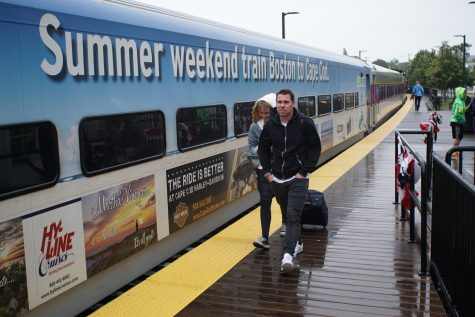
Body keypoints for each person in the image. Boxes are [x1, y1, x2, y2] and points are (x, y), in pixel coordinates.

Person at [258, 89, 321, 273]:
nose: (282, 105)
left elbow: (315, 149)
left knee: (293, 216)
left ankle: (288, 255)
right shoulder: (271, 125)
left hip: (297, 178)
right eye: (279, 102)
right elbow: (263, 149)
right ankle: (298, 243)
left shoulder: (304, 123)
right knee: (287, 213)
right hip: (277, 178)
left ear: (293, 104)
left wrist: (304, 172)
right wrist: (268, 173)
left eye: (286, 102)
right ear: (275, 104)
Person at [248, 95, 286, 249]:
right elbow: (251, 149)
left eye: (267, 113)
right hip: (263, 169)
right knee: (265, 201)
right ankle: (264, 237)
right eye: (262, 113)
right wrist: (264, 148)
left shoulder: (281, 125)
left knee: (283, 199)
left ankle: (285, 224)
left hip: (280, 168)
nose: (264, 116)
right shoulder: (254, 127)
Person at [450, 87, 470, 159]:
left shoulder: (460, 101)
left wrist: (467, 107)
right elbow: (457, 113)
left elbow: (462, 110)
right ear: (460, 94)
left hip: (457, 122)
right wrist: (462, 120)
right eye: (464, 93)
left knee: (459, 137)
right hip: (457, 122)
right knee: (458, 137)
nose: (465, 95)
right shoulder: (459, 102)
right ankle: (453, 153)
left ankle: (455, 152)